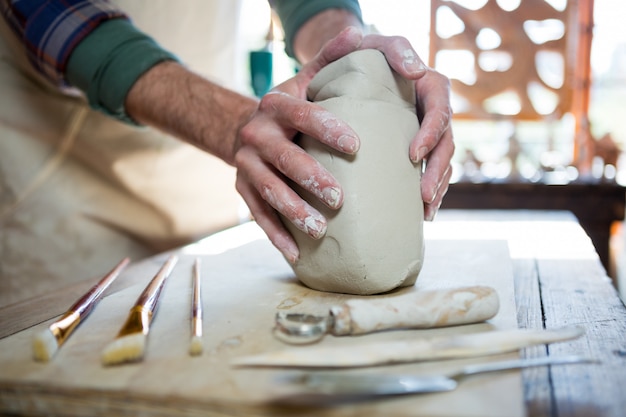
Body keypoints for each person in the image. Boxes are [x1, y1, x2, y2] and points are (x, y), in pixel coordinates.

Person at [0, 0, 454, 307]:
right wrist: (240, 126)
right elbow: (57, 20)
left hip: (202, 194)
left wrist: (349, 52)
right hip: (62, 187)